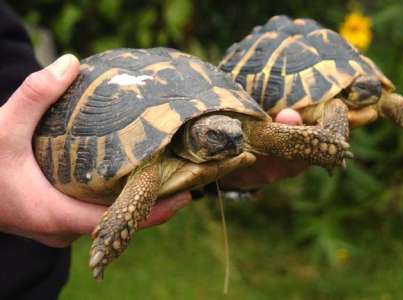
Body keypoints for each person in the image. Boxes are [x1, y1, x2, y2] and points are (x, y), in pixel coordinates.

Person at [0, 1, 304, 298]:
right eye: (215, 137)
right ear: (194, 137)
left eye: (236, 134)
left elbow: (254, 136)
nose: (235, 140)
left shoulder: (230, 134)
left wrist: (308, 145)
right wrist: (113, 234)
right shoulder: (148, 172)